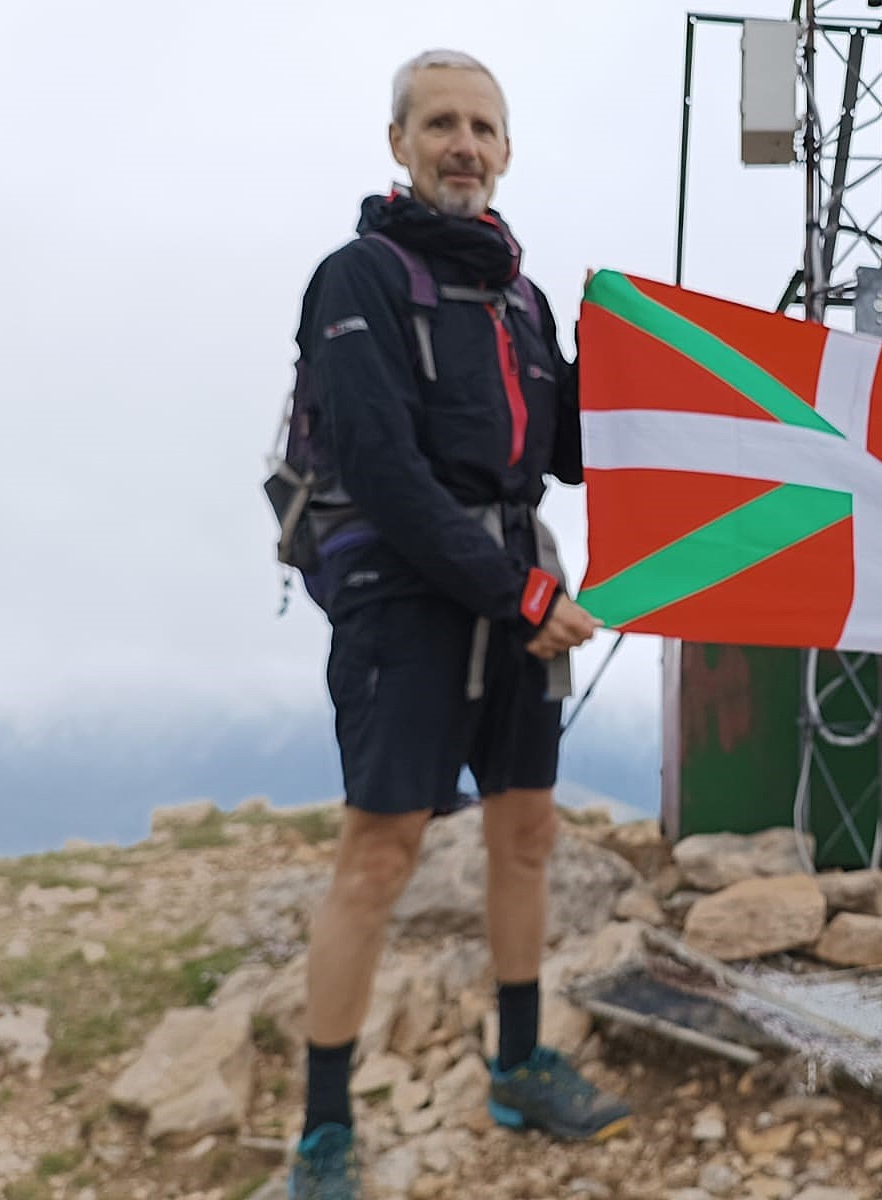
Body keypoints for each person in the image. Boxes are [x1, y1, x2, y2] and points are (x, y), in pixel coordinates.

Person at [285, 49, 630, 1197]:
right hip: (406, 600)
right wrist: (519, 594)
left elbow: (565, 455)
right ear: (399, 143)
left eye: (482, 127)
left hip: (515, 590)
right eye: (440, 123)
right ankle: (323, 1134)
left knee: (524, 835)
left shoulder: (521, 299)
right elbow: (381, 470)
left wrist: (620, 352)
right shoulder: (359, 279)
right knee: (380, 853)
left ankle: (518, 1067)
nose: (463, 146)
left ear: (508, 151)